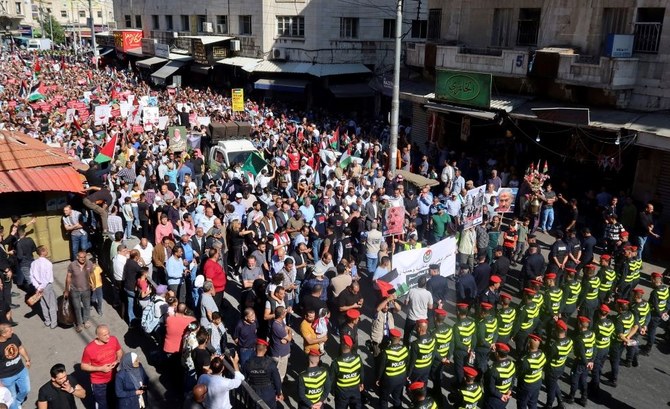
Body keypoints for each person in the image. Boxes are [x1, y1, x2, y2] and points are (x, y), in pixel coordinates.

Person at [81, 324, 123, 409]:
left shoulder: (113, 339)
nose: (108, 336)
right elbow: (83, 366)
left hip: (114, 377)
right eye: (104, 335)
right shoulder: (89, 349)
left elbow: (119, 351)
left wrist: (117, 360)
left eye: (108, 333)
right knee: (102, 404)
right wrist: (101, 368)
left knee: (115, 399)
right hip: (99, 383)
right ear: (97, 336)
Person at [242, 339, 283, 409]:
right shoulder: (270, 364)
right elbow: (277, 380)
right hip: (268, 394)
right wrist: (279, 393)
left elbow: (244, 379)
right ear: (265, 350)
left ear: (255, 349)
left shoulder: (248, 363)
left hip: (254, 393)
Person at [566, 316, 595, 406]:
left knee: (574, 379)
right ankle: (584, 398)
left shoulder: (579, 338)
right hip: (589, 361)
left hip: (580, 362)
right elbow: (595, 347)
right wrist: (591, 361)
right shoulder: (592, 334)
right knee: (583, 380)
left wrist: (586, 363)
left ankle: (571, 397)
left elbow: (582, 353)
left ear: (580, 325)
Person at [0, 324, 30, 409]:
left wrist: (27, 359)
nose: (12, 331)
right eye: (10, 331)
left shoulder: (14, 337)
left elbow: (20, 348)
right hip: (6, 376)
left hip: (21, 370)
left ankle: (18, 401)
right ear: (3, 334)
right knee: (11, 397)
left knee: (26, 390)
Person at [329, 335, 363, 409]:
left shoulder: (336, 362)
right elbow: (361, 373)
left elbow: (331, 379)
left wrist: (332, 391)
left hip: (341, 393)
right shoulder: (358, 358)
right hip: (355, 390)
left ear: (341, 345)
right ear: (350, 346)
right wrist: (361, 383)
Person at [376, 328, 407, 409]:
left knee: (384, 399)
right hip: (401, 378)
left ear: (390, 338)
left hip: (389, 380)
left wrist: (378, 379)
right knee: (397, 397)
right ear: (399, 338)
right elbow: (406, 362)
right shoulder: (404, 349)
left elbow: (381, 368)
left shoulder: (386, 352)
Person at [64, 250, 94, 333]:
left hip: (86, 289)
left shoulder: (89, 264)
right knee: (77, 308)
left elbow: (92, 274)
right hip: (75, 290)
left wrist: (93, 284)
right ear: (77, 257)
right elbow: (68, 277)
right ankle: (79, 324)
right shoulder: (72, 265)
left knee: (86, 306)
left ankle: (86, 320)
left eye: (84, 257)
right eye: (80, 257)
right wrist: (66, 290)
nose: (82, 259)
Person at [29, 245, 57, 329]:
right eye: (46, 250)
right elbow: (47, 278)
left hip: (37, 286)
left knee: (43, 304)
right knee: (51, 304)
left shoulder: (34, 263)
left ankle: (47, 321)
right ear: (43, 252)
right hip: (46, 286)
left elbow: (31, 276)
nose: (47, 251)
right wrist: (41, 287)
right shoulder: (48, 263)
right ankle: (54, 322)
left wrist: (37, 287)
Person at [516, 334, 546, 409]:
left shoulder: (526, 361)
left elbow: (518, 373)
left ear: (528, 344)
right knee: (533, 403)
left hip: (526, 386)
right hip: (537, 383)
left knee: (522, 404)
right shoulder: (542, 355)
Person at [483, 343, 515, 409]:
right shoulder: (511, 364)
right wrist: (510, 389)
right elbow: (513, 378)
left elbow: (490, 388)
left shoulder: (493, 370)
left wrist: (501, 396)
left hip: (494, 399)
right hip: (506, 396)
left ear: (497, 354)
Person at [404, 276, 433, 345]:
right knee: (422, 335)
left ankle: (406, 347)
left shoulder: (411, 291)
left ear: (417, 283)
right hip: (423, 319)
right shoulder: (428, 293)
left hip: (411, 318)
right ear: (425, 284)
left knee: (407, 334)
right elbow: (430, 307)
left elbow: (405, 303)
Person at [269, 306, 292, 382]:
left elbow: (286, 328)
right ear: (282, 315)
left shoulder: (279, 322)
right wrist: (290, 331)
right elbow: (289, 338)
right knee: (280, 375)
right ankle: (278, 388)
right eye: (285, 312)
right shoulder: (277, 327)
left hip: (281, 352)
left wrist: (286, 337)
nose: (286, 313)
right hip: (280, 355)